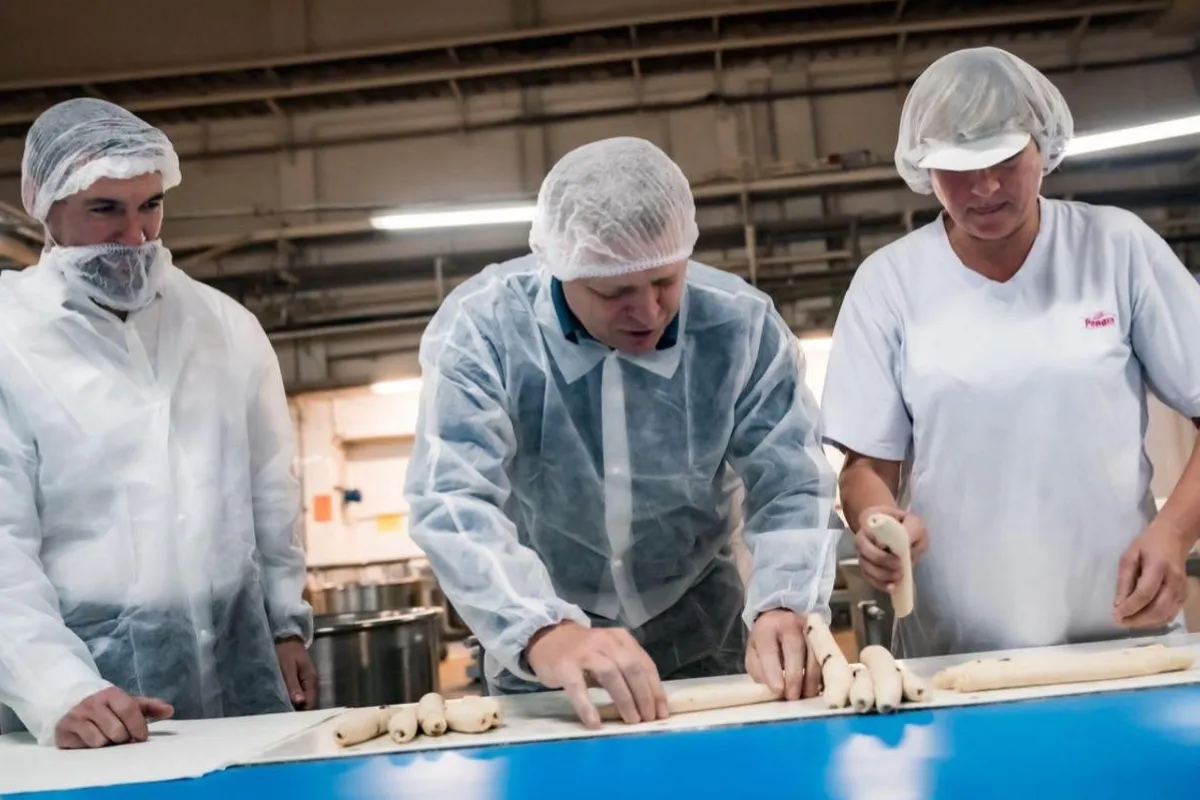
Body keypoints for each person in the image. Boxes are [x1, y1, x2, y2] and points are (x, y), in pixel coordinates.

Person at [405, 136, 840, 728]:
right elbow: (452, 498)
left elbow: (790, 483)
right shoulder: (485, 329)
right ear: (561, 271)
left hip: (701, 639)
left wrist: (785, 601)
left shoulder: (739, 327)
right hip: (550, 662)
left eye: (665, 281)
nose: (648, 311)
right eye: (614, 293)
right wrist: (541, 629)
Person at [821, 46, 1200, 659]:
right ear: (924, 167)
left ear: (1042, 147)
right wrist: (877, 523)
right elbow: (867, 468)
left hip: (1124, 634)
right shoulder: (889, 283)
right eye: (958, 169)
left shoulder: (1115, 248)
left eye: (1004, 160)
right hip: (956, 648)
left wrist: (1174, 531)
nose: (986, 187)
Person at [0, 98, 316, 749]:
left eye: (150, 205)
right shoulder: (10, 340)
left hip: (240, 679)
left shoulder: (224, 328)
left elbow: (270, 495)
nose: (137, 235)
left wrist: (286, 625)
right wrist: (55, 686)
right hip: (81, 699)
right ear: (43, 205)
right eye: (106, 210)